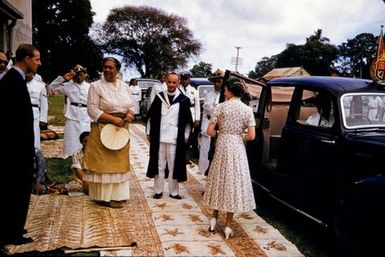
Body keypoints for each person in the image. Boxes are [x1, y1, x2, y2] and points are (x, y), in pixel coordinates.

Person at [203, 78, 256, 239]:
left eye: (225, 90)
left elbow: (210, 131)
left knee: (219, 179)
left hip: (222, 145)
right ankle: (227, 226)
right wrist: (239, 136)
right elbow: (252, 136)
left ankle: (213, 218)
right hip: (237, 147)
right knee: (233, 182)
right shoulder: (247, 110)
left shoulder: (220, 107)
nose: (224, 92)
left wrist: (221, 134)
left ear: (230, 91)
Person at [0, 43, 41, 247]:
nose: (38, 63)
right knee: (15, 189)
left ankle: (14, 226)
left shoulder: (16, 79)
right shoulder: (12, 81)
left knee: (17, 189)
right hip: (14, 149)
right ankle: (11, 232)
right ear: (26, 60)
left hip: (18, 146)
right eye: (37, 59)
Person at [82, 57, 135, 208]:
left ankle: (118, 196)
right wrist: (112, 119)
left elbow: (131, 105)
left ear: (117, 70)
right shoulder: (95, 86)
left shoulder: (124, 86)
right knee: (103, 164)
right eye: (105, 67)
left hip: (121, 129)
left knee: (119, 162)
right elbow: (92, 110)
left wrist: (130, 114)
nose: (107, 70)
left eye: (111, 68)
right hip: (103, 128)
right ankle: (103, 196)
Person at [146, 72, 193, 200]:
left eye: (174, 82)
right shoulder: (159, 97)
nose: (171, 85)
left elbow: (188, 121)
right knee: (159, 164)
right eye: (169, 82)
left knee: (173, 165)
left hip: (174, 138)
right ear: (166, 82)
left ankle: (174, 192)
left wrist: (186, 135)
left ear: (178, 83)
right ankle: (158, 190)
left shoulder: (183, 100)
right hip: (159, 136)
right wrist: (149, 131)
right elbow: (151, 117)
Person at [49, 64, 91, 160]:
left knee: (85, 135)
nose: (79, 77)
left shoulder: (90, 86)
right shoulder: (68, 85)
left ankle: (85, 154)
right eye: (76, 74)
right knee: (72, 135)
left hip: (86, 114)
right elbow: (51, 88)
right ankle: (70, 154)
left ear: (85, 75)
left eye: (81, 74)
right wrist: (63, 78)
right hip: (73, 113)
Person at [198, 69, 224, 174]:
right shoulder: (209, 95)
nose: (216, 84)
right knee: (205, 156)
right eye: (215, 81)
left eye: (219, 81)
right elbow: (210, 112)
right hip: (208, 128)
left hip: (221, 131)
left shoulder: (227, 96)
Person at [179, 71, 201, 161]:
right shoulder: (177, 90)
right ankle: (179, 154)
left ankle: (186, 154)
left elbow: (197, 105)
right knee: (179, 134)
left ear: (189, 80)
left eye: (186, 79)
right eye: (183, 79)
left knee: (189, 135)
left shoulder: (194, 91)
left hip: (191, 114)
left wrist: (197, 118)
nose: (184, 81)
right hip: (179, 114)